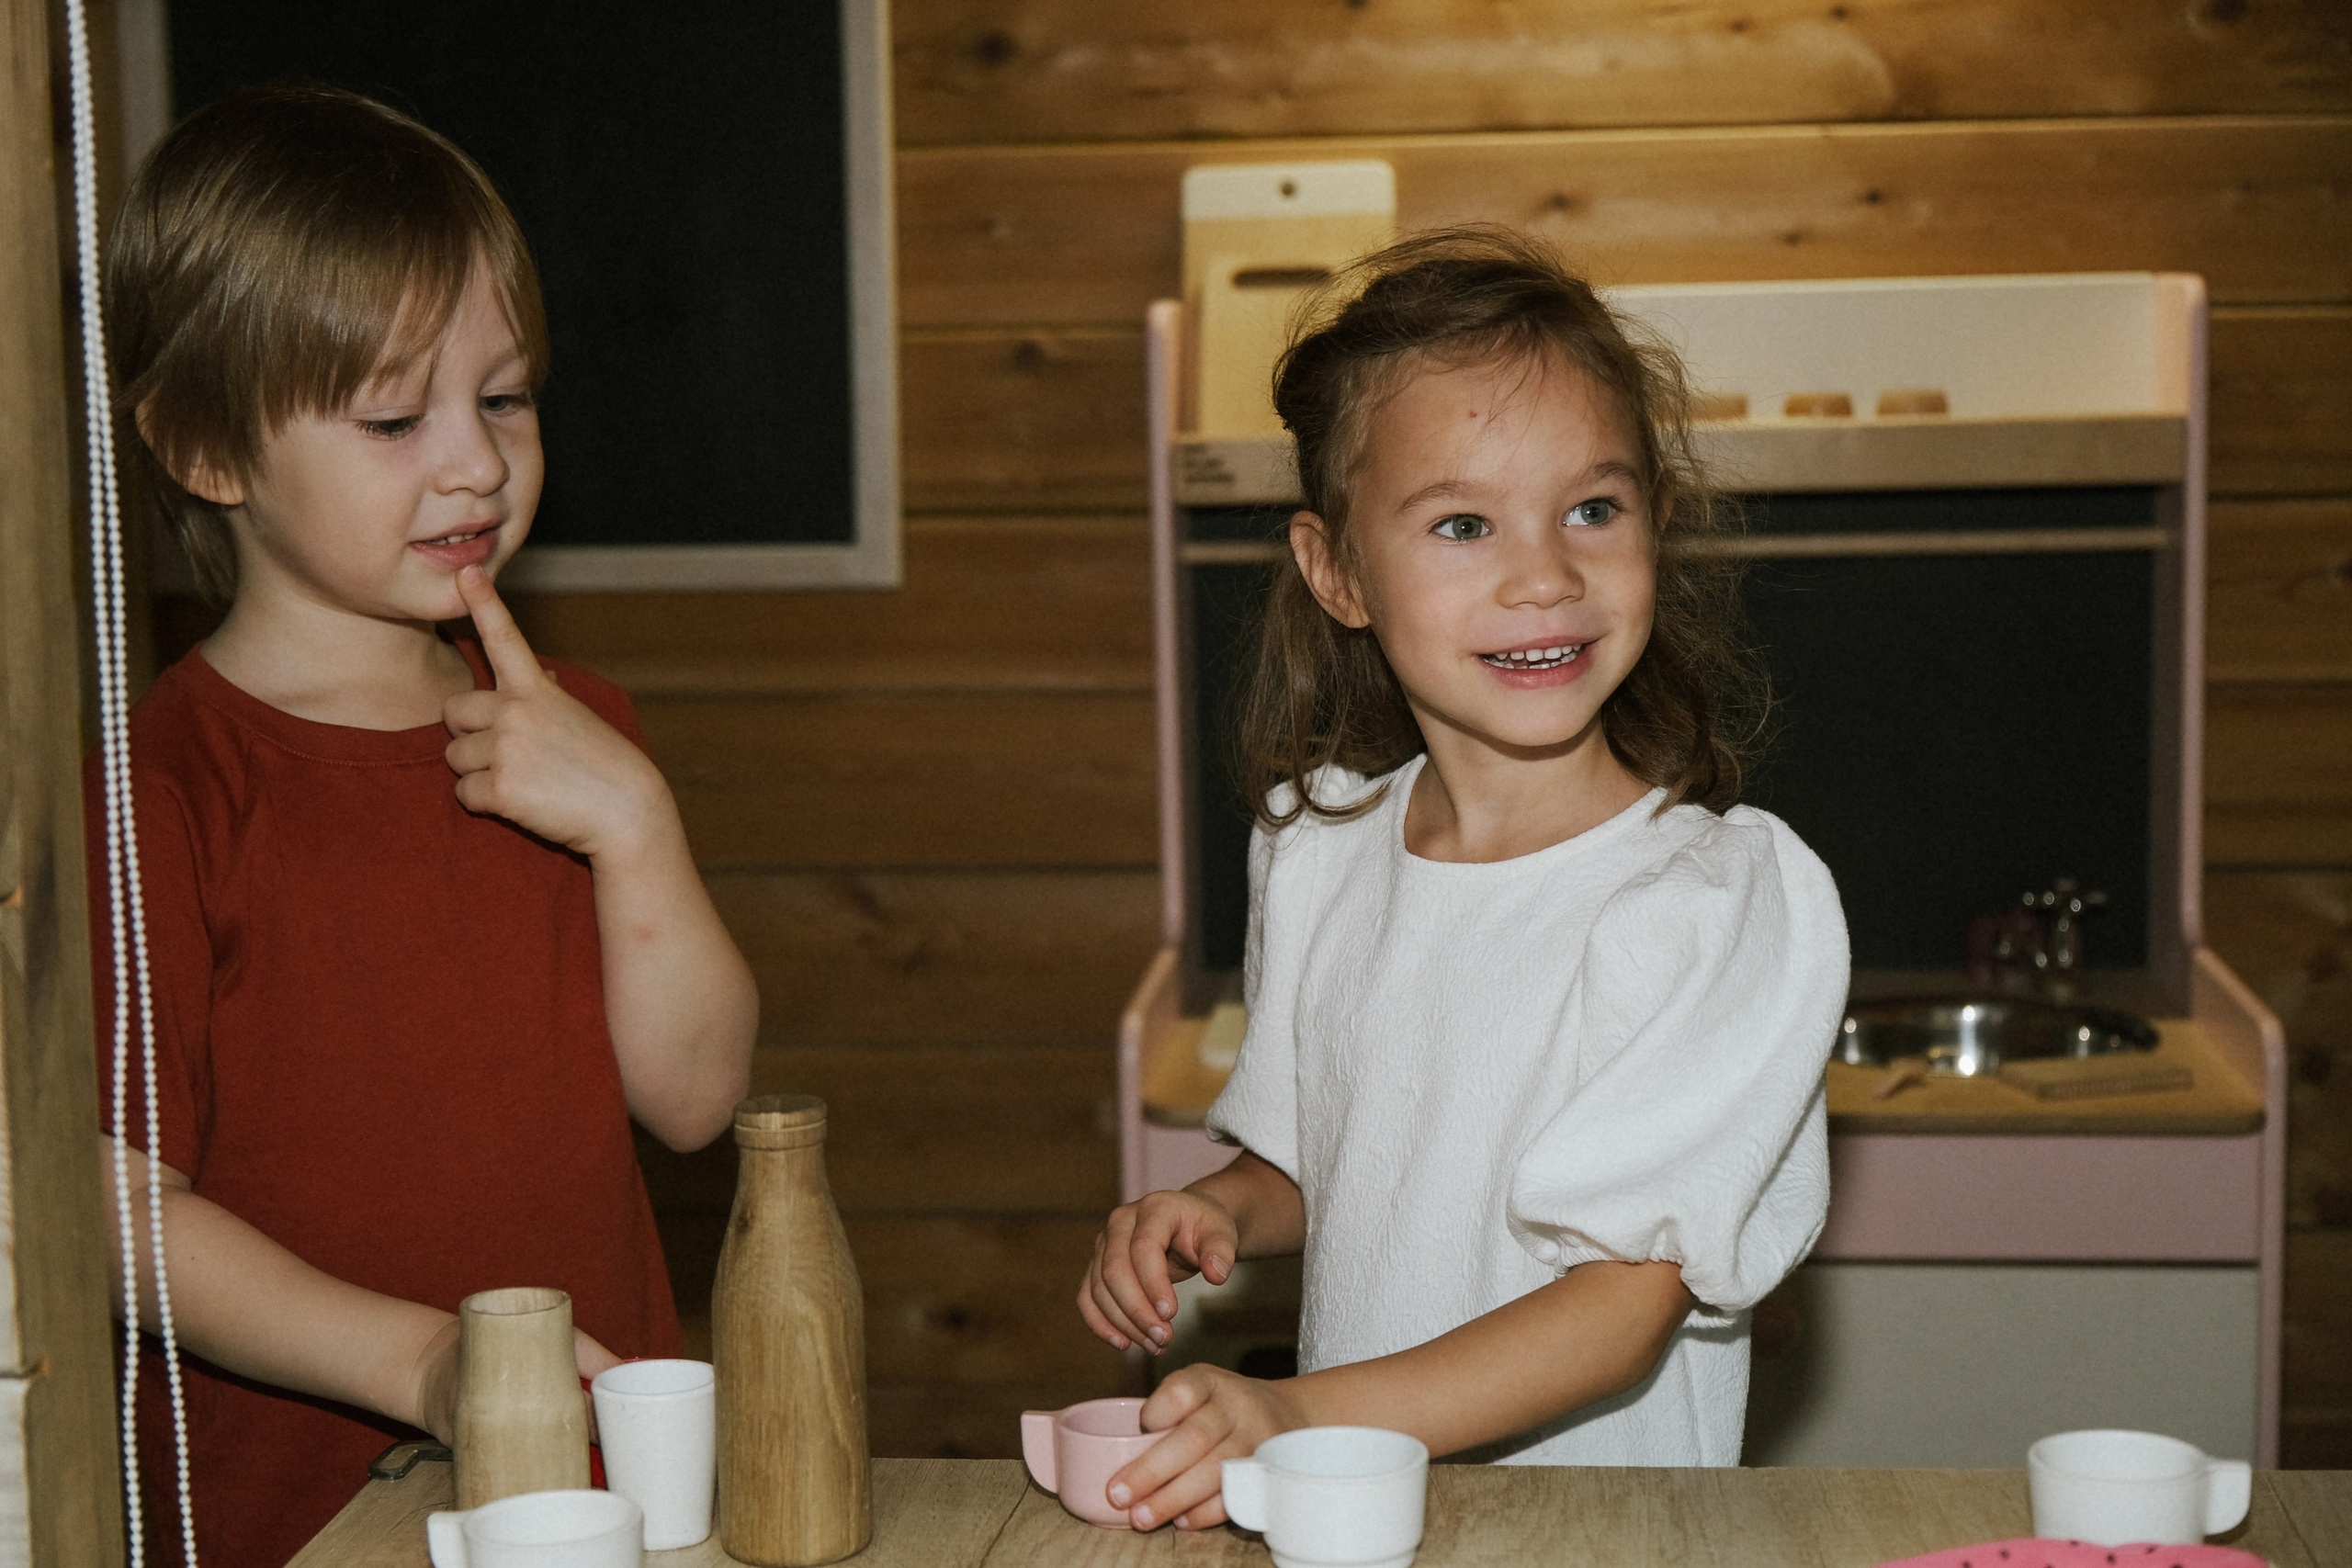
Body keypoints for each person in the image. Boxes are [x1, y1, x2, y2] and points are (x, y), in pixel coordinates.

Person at [1079, 229, 1849, 1529]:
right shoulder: (1318, 856)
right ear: (1339, 574)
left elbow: (1617, 1311)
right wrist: (1214, 1207)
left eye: (1593, 509)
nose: (1544, 574)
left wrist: (1303, 1416)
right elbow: (1348, 1166)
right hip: (1356, 1528)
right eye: (1462, 523)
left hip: (1603, 1540)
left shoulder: (1716, 907)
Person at [92, 85, 758, 1566]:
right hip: (290, 1521)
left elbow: (697, 1100)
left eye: (506, 398)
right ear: (204, 447)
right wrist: (421, 1365)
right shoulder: (156, 787)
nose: (474, 463)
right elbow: (119, 1207)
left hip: (597, 1506)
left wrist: (636, 824)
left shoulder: (580, 733)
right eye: (395, 417)